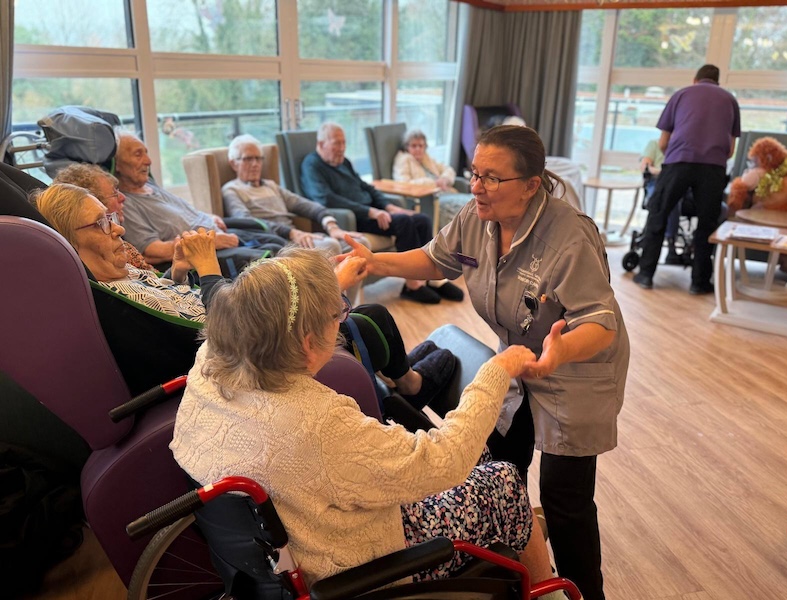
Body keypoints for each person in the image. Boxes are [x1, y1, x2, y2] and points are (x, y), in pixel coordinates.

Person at [339, 124, 630, 600]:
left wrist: (559, 353)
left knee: (565, 501)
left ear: (531, 184)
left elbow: (601, 322)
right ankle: (510, 572)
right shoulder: (478, 216)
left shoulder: (569, 236)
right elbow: (437, 260)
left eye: (492, 178)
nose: (476, 186)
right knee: (500, 467)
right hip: (518, 359)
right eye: (475, 173)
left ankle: (583, 594)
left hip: (577, 366)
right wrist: (377, 262)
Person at [170, 247, 556, 592]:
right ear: (306, 342)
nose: (342, 320)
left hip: (284, 539)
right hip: (352, 561)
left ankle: (519, 532)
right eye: (337, 313)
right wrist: (497, 369)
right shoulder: (318, 422)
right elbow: (446, 459)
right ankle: (546, 584)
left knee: (481, 453)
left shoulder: (210, 361)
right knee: (504, 480)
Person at [34, 183, 456, 409]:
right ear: (69, 240)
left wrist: (180, 271)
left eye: (111, 218)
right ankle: (409, 384)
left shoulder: (122, 281)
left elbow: (177, 315)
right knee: (369, 316)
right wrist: (208, 269)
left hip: (240, 332)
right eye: (102, 222)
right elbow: (220, 334)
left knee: (360, 310)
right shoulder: (112, 302)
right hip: (250, 355)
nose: (118, 228)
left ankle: (392, 379)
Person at [300, 122, 463, 305]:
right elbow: (326, 199)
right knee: (404, 223)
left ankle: (434, 280)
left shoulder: (344, 162)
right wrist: (370, 212)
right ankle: (412, 286)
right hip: (354, 218)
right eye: (337, 143)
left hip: (372, 211)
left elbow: (366, 187)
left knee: (421, 219)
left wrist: (388, 207)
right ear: (321, 144)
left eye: (344, 143)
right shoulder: (312, 165)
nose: (342, 148)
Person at [114, 130, 286, 277]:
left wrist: (208, 216)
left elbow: (183, 211)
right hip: (205, 252)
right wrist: (211, 242)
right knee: (274, 258)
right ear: (118, 165)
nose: (148, 161)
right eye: (138, 154)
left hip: (214, 233)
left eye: (146, 153)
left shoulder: (149, 186)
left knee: (278, 243)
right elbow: (152, 251)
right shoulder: (126, 203)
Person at [633, 64, 741, 295]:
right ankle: (699, 282)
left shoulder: (681, 94)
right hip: (713, 167)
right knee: (707, 224)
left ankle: (645, 275)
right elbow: (730, 149)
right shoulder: (730, 101)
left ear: (695, 79)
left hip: (678, 161)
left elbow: (663, 142)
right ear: (717, 81)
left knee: (659, 214)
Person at [223, 134, 365, 256]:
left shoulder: (271, 186)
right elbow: (247, 222)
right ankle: (336, 288)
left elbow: (304, 205)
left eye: (258, 158)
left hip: (295, 237)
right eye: (248, 159)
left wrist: (331, 225)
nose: (255, 164)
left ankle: (346, 289)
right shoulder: (232, 190)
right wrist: (290, 232)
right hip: (274, 242)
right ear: (233, 163)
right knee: (330, 247)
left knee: (359, 244)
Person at [53, 162, 154, 270]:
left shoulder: (123, 248)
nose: (123, 197)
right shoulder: (119, 252)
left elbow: (157, 280)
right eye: (114, 193)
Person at [392, 129, 472, 227]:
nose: (418, 149)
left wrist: (445, 179)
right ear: (407, 147)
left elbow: (447, 169)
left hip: (445, 192)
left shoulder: (426, 158)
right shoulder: (403, 160)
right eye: (414, 146)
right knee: (465, 211)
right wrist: (434, 183)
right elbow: (404, 183)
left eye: (421, 146)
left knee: (472, 204)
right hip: (431, 199)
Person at [640, 139, 682, 265]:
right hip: (657, 181)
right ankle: (670, 241)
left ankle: (670, 240)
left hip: (677, 184)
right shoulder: (654, 144)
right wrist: (663, 172)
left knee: (674, 198)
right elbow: (645, 166)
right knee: (665, 199)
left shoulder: (682, 148)